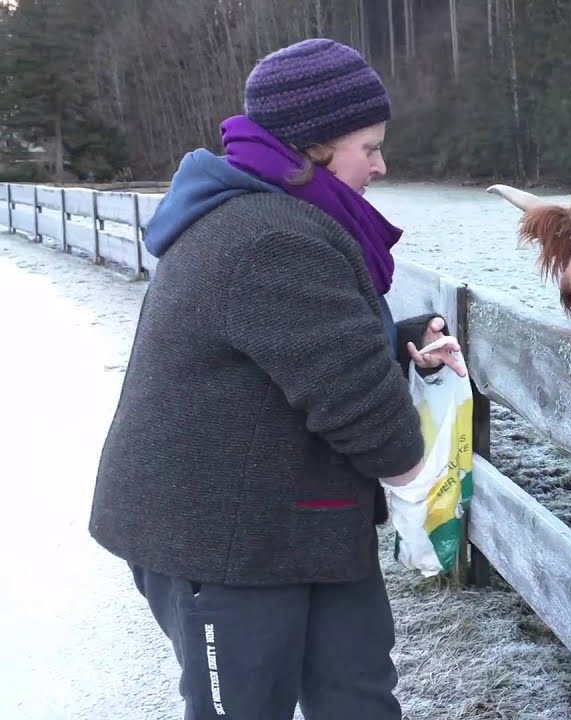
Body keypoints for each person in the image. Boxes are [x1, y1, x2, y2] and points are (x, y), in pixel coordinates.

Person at [87, 38, 463, 719]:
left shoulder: (284, 218)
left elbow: (298, 347)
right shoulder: (266, 236)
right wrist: (421, 490)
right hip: (221, 541)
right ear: (316, 146)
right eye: (368, 147)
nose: (381, 165)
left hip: (303, 523)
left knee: (359, 700)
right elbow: (348, 395)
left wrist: (404, 351)